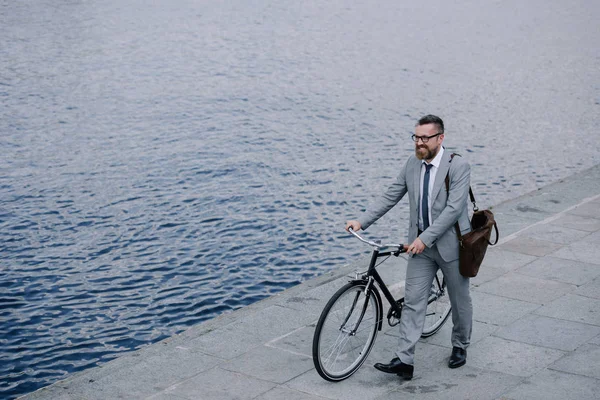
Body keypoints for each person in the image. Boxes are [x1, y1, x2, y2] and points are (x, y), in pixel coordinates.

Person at [345, 114, 473, 380]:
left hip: (451, 246)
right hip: (421, 249)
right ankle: (404, 361)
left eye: (425, 138)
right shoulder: (412, 165)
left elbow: (453, 210)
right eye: (416, 137)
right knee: (414, 302)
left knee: (459, 299)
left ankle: (460, 345)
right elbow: (391, 194)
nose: (419, 143)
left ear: (441, 138)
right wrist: (362, 221)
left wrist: (424, 238)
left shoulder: (458, 166)